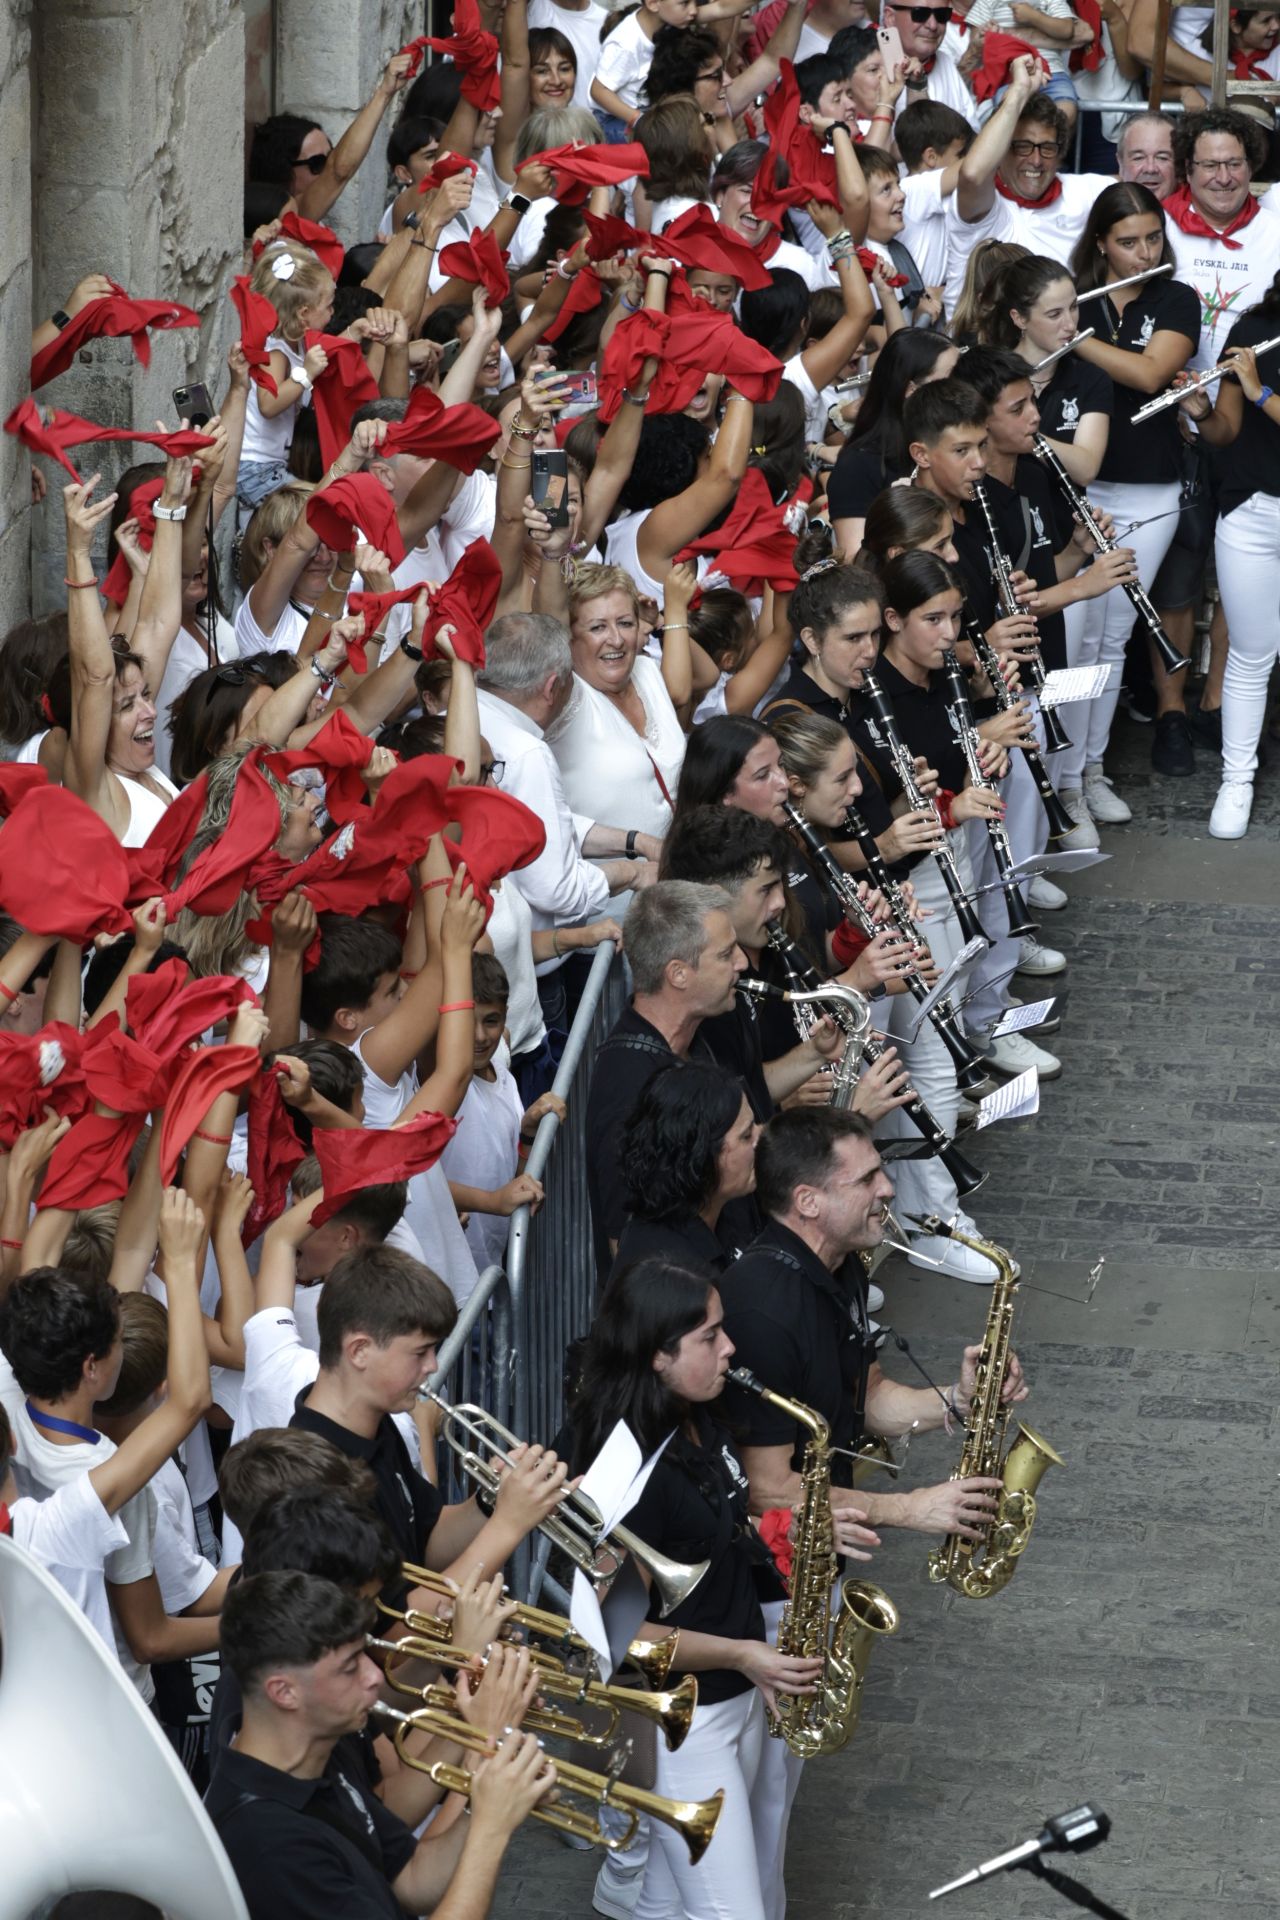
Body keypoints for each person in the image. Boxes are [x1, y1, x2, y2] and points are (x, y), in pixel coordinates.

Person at [719, 1108, 1028, 1910]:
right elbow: (770, 1485)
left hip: (813, 1560)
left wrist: (958, 1402)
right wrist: (912, 1507)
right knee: (748, 1779)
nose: (889, 1189)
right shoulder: (760, 1306)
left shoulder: (839, 1270)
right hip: (758, 1584)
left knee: (776, 1784)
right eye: (867, 1179)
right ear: (809, 1201)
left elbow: (867, 1401)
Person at [568, 1257, 825, 1920]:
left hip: (734, 1698)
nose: (730, 1347)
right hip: (689, 1723)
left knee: (662, 1898)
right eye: (709, 1337)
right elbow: (620, 1631)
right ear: (658, 1356)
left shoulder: (695, 1419)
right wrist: (743, 1654)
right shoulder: (627, 1474)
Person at [207, 1570, 556, 1920]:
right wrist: (491, 1829)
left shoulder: (315, 1753)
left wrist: (483, 1805)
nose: (375, 1676)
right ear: (284, 1692)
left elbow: (412, 1881)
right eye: (349, 1667)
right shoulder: (271, 1845)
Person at [0, 1191, 210, 1660]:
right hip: (116, 1696)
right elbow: (150, 1637)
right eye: (119, 1341)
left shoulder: (9, 1391)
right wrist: (177, 1266)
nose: (124, 1346)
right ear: (92, 1368)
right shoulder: (108, 1475)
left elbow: (45, 1257)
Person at [289, 1243, 570, 1583]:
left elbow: (427, 1541)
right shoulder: (316, 1475)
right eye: (420, 1352)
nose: (434, 1366)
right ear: (360, 1351)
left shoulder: (375, 1424)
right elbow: (399, 1621)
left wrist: (493, 1498)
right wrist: (509, 1524)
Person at [1063, 185, 1200, 804]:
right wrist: (1061, 318)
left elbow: (1149, 375)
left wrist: (1064, 331)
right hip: (1074, 484)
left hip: (1148, 489)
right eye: (1128, 242)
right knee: (1072, 632)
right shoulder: (1074, 294)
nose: (1145, 252)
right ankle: (1064, 780)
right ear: (1100, 244)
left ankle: (1091, 773)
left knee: (1112, 633)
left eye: (1153, 238)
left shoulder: (1177, 297)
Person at [585, 880, 747, 1268]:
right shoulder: (627, 1084)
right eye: (726, 954)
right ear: (678, 974)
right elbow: (625, 1245)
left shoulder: (698, 1036)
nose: (741, 962)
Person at [1180, 270, 1280, 839]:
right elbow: (1227, 431)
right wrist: (1200, 409)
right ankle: (1236, 779)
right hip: (1252, 512)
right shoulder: (1255, 328)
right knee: (1249, 652)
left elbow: (1261, 402)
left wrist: (1261, 388)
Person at [944, 58, 1113, 320]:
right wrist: (1018, 93)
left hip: (1057, 348)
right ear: (1001, 150)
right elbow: (972, 175)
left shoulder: (1086, 191)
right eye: (1022, 146)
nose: (1035, 160)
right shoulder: (984, 204)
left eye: (1047, 148)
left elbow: (1146, 188)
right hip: (978, 348)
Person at [547, 563, 688, 857]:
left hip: (680, 882)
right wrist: (552, 553)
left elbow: (692, 686)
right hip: (611, 896)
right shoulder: (564, 696)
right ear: (568, 636)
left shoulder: (647, 671)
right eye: (598, 627)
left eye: (625, 623)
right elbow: (545, 618)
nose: (616, 639)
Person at [610, 1060, 761, 1279]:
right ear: (704, 1155)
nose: (760, 1139)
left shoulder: (722, 1213)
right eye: (747, 1136)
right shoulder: (670, 1272)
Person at [1115, 110, 1177, 201]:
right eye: (1138, 158)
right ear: (1120, 164)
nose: (1150, 169)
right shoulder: (1093, 198)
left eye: (1162, 158)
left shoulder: (1197, 212)